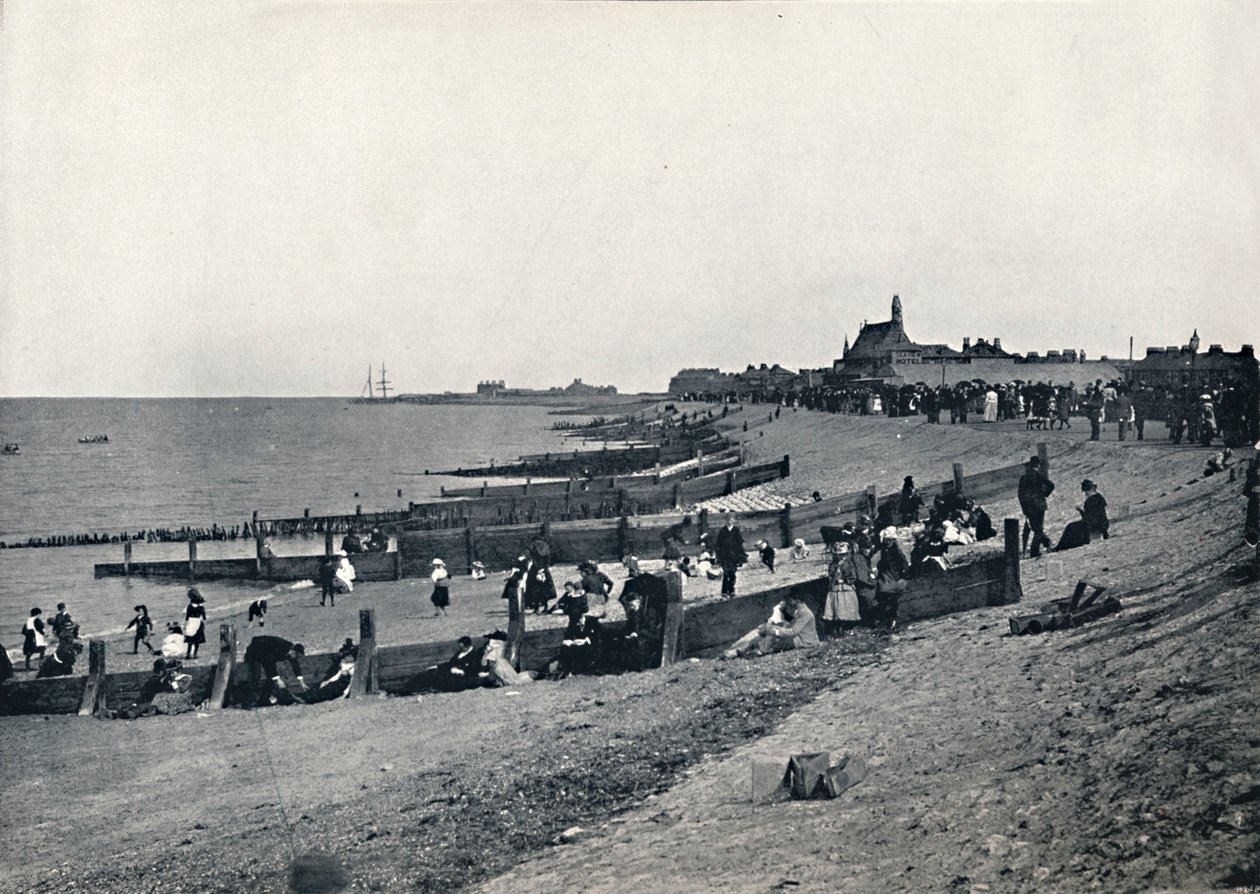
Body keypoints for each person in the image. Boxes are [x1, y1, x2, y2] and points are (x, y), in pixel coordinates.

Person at [722, 590, 819, 658]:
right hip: (799, 637)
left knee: (774, 641)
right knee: (769, 633)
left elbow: (793, 631)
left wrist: (776, 631)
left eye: (790, 601)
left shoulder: (805, 613)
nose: (789, 603)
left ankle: (754, 652)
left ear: (797, 601)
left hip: (805, 642)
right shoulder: (800, 610)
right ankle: (751, 650)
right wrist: (782, 614)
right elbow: (792, 623)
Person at [243, 635, 307, 706]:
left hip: (266, 656)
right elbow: (269, 663)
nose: (296, 658)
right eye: (297, 655)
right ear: (292, 651)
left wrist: (301, 682)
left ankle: (263, 700)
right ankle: (249, 702)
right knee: (255, 677)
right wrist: (278, 679)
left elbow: (295, 665)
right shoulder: (280, 649)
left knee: (270, 679)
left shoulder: (290, 652)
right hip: (255, 651)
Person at [1017, 455, 1056, 558]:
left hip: (1029, 508)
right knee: (1038, 529)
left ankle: (1039, 548)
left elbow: (1020, 495)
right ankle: (1043, 545)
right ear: (1038, 465)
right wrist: (1045, 494)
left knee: (1036, 528)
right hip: (1039, 505)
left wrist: (1024, 508)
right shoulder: (1038, 476)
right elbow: (1051, 485)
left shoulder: (1023, 478)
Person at [1056, 479, 1110, 551]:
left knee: (1070, 527)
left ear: (1089, 490)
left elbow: (1088, 517)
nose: (1085, 494)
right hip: (1103, 524)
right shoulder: (1100, 497)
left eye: (1085, 491)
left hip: (1094, 524)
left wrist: (1080, 510)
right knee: (1074, 526)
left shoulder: (1090, 501)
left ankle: (1061, 547)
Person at [821, 542, 862, 636]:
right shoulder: (833, 565)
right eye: (839, 555)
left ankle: (848, 628)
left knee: (847, 606)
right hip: (835, 588)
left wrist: (845, 580)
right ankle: (838, 628)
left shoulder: (849, 564)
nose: (841, 557)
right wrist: (834, 579)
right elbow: (830, 576)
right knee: (836, 607)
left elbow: (853, 576)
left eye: (843, 555)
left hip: (846, 587)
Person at [874, 528, 910, 629]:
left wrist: (903, 576)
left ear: (894, 540)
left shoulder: (896, 551)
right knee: (884, 595)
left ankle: (891, 617)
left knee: (888, 594)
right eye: (886, 540)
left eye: (890, 540)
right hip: (888, 576)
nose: (888, 542)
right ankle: (887, 618)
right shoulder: (885, 550)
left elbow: (904, 564)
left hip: (894, 577)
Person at [715, 513, 747, 597]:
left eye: (732, 520)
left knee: (732, 573)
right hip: (724, 555)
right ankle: (724, 592)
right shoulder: (722, 530)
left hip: (734, 556)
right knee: (726, 573)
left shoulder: (736, 530)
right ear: (726, 521)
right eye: (728, 520)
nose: (730, 521)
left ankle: (732, 590)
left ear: (734, 521)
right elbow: (718, 544)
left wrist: (742, 555)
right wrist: (718, 556)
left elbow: (740, 543)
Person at [183, 588, 207, 659]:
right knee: (197, 640)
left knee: (190, 640)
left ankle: (188, 654)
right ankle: (195, 654)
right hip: (198, 622)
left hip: (191, 622)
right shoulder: (201, 607)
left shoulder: (189, 607)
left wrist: (185, 624)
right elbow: (204, 617)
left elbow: (187, 617)